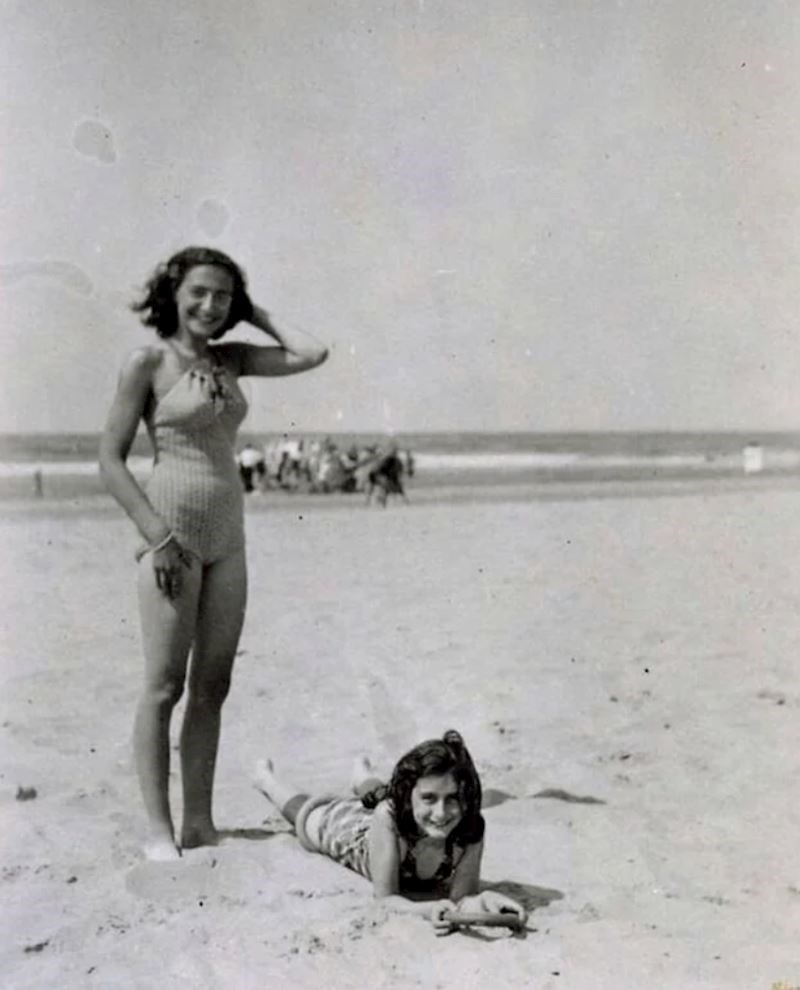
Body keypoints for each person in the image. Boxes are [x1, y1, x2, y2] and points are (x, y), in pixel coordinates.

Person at [99, 246, 328, 861]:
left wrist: (255, 312)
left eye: (224, 295)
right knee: (163, 686)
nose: (210, 305)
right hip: (170, 533)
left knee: (214, 685)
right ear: (173, 292)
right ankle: (158, 831)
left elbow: (312, 352)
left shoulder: (232, 359)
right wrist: (158, 536)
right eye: (199, 291)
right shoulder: (147, 361)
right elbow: (109, 461)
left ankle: (199, 824)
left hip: (230, 535)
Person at [253, 730, 527, 935]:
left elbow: (461, 900)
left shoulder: (470, 828)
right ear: (409, 797)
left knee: (381, 794)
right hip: (359, 836)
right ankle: (267, 781)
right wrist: (425, 909)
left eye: (453, 798)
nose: (442, 813)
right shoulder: (390, 816)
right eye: (430, 798)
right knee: (312, 815)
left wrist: (485, 901)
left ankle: (362, 777)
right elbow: (385, 900)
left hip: (401, 811)